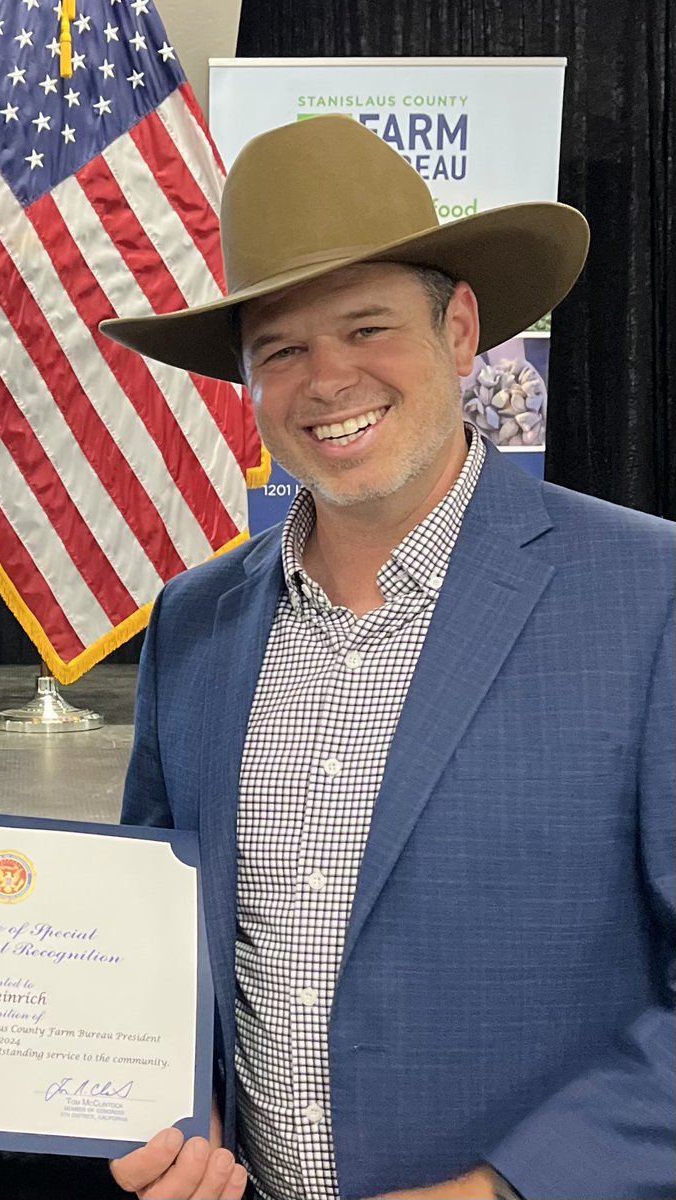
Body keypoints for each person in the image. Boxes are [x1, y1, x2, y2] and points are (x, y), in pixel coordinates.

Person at [99, 115, 674, 1200]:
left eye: (367, 328)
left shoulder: (650, 599)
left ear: (460, 330)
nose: (328, 381)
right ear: (247, 383)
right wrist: (172, 1102)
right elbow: (156, 941)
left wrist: (504, 1191)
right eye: (281, 350)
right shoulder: (195, 625)